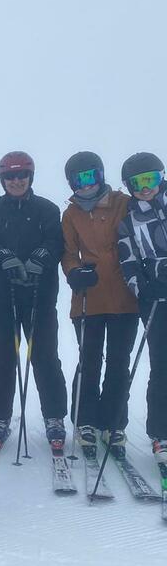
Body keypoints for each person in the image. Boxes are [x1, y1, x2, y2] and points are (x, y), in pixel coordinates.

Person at [0, 151, 69, 449]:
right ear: (3, 180)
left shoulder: (47, 209)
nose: (16, 181)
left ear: (31, 177)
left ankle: (54, 417)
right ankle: (0, 417)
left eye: (22, 176)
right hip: (0, 296)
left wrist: (42, 256)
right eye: (10, 177)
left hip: (39, 296)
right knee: (2, 358)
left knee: (44, 357)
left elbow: (56, 241)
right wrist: (4, 258)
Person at [61, 152, 138, 459]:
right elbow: (67, 253)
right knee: (89, 360)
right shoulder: (70, 214)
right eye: (78, 180)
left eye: (90, 177)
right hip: (88, 298)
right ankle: (85, 422)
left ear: (101, 175)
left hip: (124, 297)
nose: (85, 185)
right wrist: (73, 272)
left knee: (119, 362)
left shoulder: (123, 203)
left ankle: (113, 423)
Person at [117, 152, 167, 463]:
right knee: (162, 366)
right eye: (138, 183)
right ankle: (161, 433)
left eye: (150, 179)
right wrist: (144, 286)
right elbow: (128, 262)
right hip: (155, 300)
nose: (145, 188)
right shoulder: (129, 221)